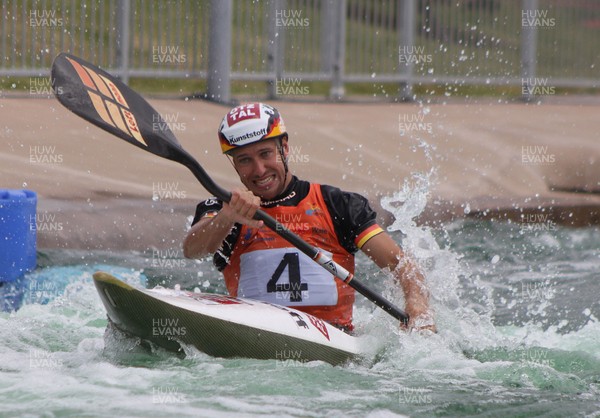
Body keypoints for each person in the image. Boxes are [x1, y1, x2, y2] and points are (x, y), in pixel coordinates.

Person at [183, 103, 435, 333]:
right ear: (234, 165)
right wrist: (227, 216)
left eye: (266, 154)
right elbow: (192, 249)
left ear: (285, 148)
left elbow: (401, 265)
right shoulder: (222, 209)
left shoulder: (338, 205)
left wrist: (417, 304)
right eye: (245, 160)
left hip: (334, 340)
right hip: (254, 336)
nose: (259, 170)